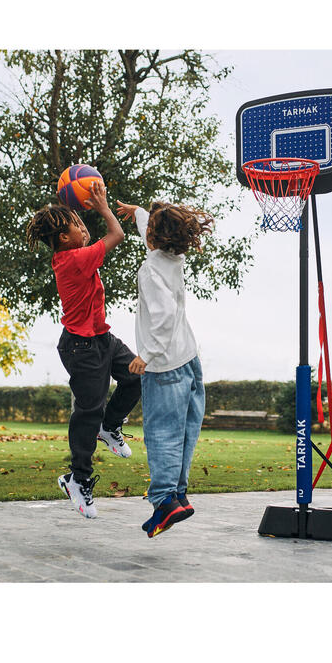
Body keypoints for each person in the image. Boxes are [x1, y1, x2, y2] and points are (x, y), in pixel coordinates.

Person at [26, 181, 141, 519]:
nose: (84, 227)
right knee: (88, 411)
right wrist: (105, 208)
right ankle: (78, 479)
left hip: (102, 338)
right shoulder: (72, 260)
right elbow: (116, 235)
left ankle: (111, 425)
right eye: (78, 224)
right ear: (64, 238)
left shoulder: (77, 255)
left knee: (136, 377)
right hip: (81, 347)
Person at [116, 198, 214, 538]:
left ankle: (163, 500)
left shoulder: (151, 269)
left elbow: (163, 315)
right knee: (185, 432)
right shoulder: (174, 257)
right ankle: (178, 495)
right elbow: (153, 232)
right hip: (190, 361)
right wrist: (139, 213)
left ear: (154, 240)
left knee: (162, 435)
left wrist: (148, 355)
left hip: (166, 366)